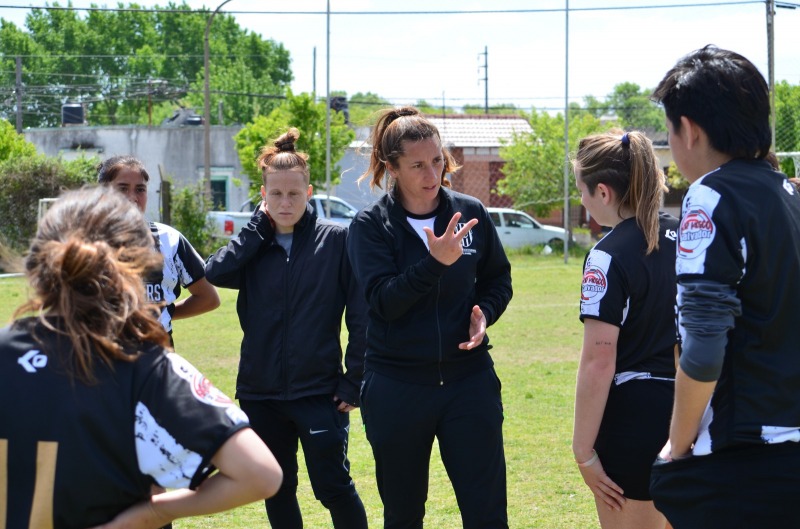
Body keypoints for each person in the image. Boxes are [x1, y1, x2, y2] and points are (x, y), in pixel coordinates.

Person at [0, 186, 282, 528]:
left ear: (39, 263)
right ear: (137, 270)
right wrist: (154, 512)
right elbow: (261, 475)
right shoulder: (146, 365)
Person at [649, 45, 800, 528]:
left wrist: (677, 443)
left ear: (689, 129)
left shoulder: (712, 194)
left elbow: (704, 342)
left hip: (746, 459)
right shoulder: (789, 193)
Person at [347, 106, 513, 529]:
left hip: (468, 382)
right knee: (403, 515)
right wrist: (434, 264)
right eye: (418, 164)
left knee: (487, 512)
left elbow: (498, 279)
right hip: (397, 387)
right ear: (392, 168)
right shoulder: (370, 226)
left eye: (437, 160)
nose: (432, 172)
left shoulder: (470, 211)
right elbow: (382, 302)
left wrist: (485, 314)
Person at [204, 128, 369, 529]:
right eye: (275, 194)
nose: (285, 202)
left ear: (308, 192)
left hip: (319, 392)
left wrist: (353, 381)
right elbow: (214, 271)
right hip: (261, 394)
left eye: (293, 194)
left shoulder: (337, 241)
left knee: (333, 487)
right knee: (275, 487)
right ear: (263, 196)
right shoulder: (254, 246)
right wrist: (256, 231)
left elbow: (362, 318)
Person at [572, 129, 678, 529]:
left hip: (637, 421)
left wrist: (583, 451)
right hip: (700, 413)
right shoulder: (691, 238)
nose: (580, 202)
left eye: (581, 191)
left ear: (603, 192)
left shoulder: (606, 255)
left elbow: (599, 361)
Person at [97, 155, 220, 340]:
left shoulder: (169, 239)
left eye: (140, 189)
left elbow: (208, 298)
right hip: (101, 356)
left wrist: (164, 313)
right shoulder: (84, 241)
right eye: (122, 188)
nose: (132, 198)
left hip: (157, 355)